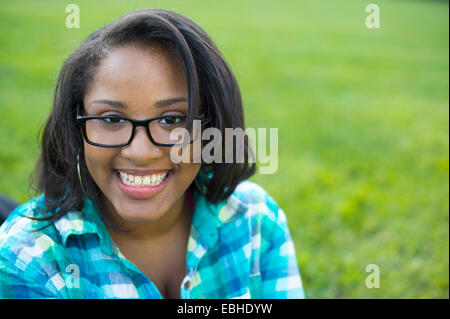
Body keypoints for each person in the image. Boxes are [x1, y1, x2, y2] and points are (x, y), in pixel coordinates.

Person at [0, 9, 305, 299]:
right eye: (111, 119)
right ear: (76, 127)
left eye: (172, 119)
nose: (141, 152)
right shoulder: (30, 258)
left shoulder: (255, 220)